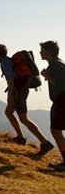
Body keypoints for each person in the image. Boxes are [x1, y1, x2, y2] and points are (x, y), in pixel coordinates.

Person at [0, 44, 54, 154]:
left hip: (18, 91)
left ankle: (45, 143)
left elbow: (10, 80)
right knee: (9, 112)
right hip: (20, 89)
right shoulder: (7, 60)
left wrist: (10, 96)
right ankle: (20, 138)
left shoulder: (5, 62)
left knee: (24, 118)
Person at [39, 41, 65, 171]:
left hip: (61, 102)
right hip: (61, 101)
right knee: (57, 130)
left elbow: (61, 85)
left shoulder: (55, 65)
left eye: (42, 50)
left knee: (56, 130)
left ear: (49, 52)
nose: (40, 53)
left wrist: (47, 76)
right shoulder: (58, 63)